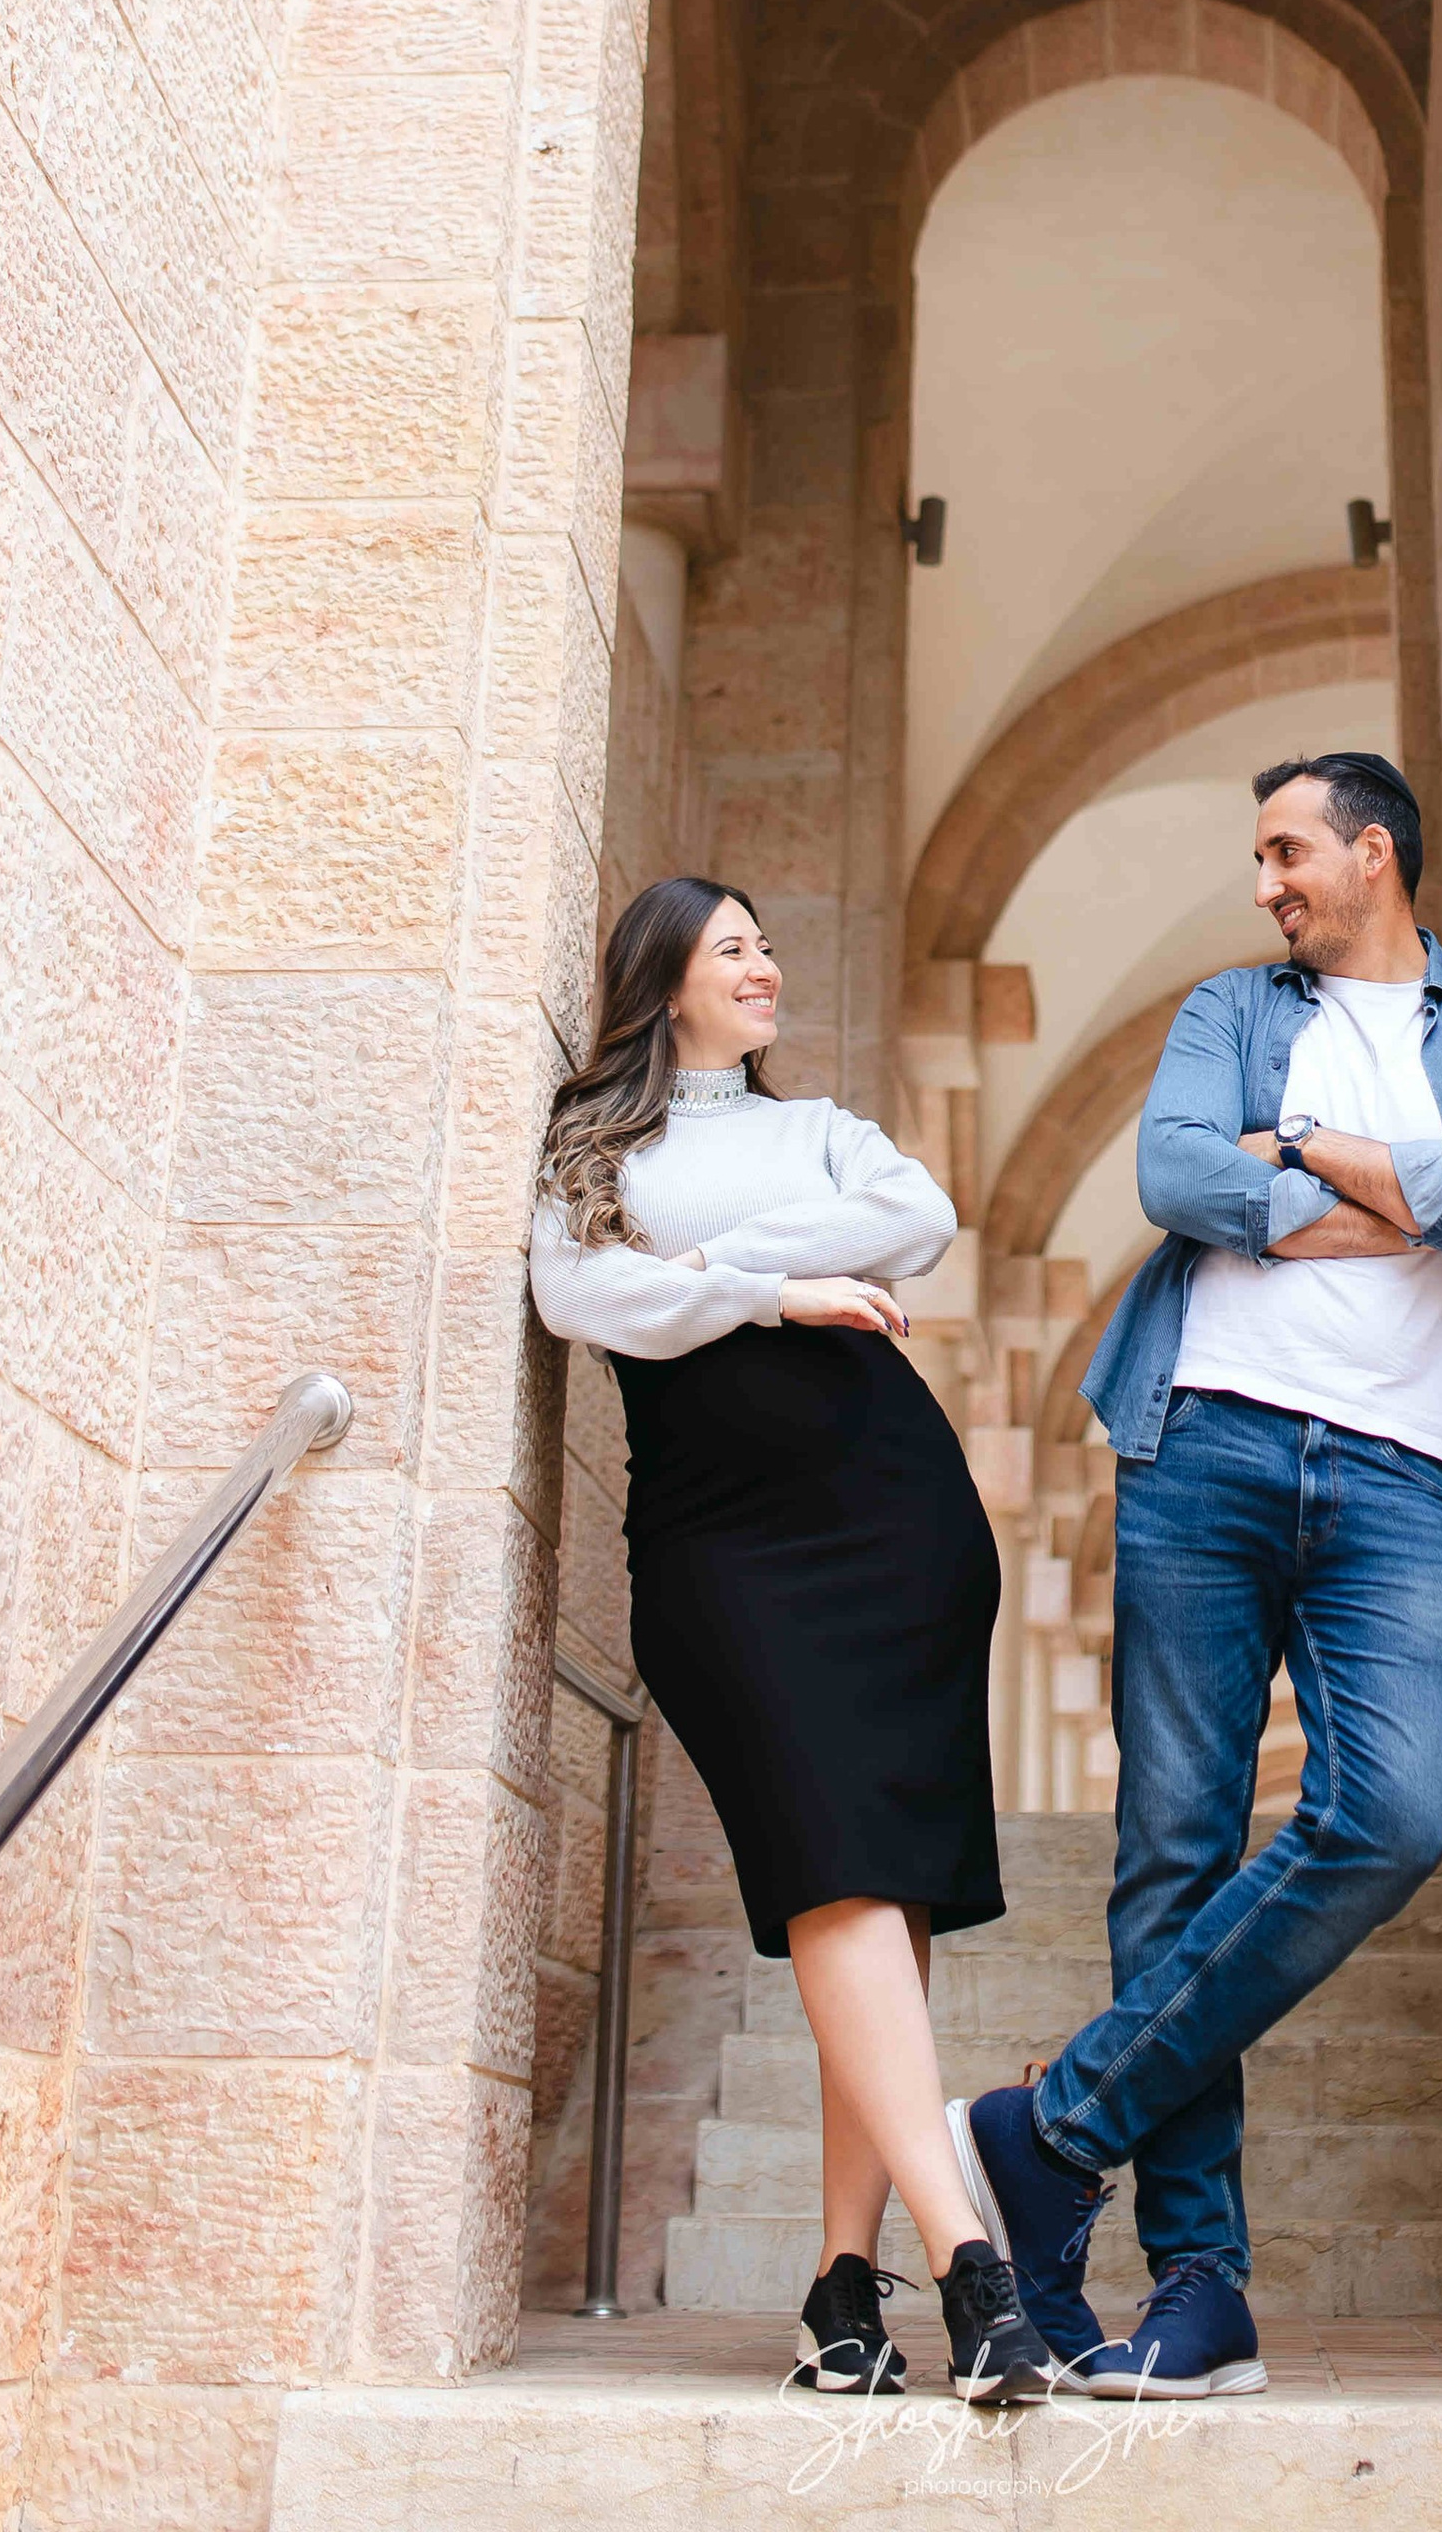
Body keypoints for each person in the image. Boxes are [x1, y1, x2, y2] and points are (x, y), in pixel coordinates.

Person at [945, 752, 1442, 2395]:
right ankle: (1199, 2290)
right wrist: (1412, 1193)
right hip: (1205, 1446)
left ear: (1375, 855)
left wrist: (1296, 1149)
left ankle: (1055, 2123)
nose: (1268, 884)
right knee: (1171, 1855)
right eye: (1260, 858)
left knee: (1382, 1814)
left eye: (1290, 851)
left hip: (1398, 1475)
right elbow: (1178, 1176)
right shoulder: (1228, 1008)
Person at [529, 873, 1056, 2405]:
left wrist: (698, 1274)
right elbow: (577, 1291)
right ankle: (973, 2261)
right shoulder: (593, 1141)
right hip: (718, 1548)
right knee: (829, 1862)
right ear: (665, 978)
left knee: (876, 1895)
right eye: (733, 947)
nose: (764, 965)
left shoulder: (820, 1125)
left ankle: (843, 2284)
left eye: (768, 943)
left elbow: (920, 1219)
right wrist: (775, 1286)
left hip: (893, 1519)